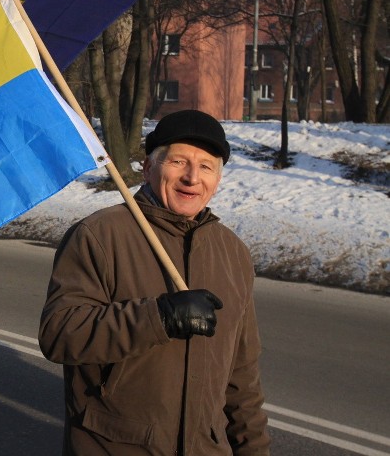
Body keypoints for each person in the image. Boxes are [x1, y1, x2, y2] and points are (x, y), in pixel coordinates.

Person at [39, 110, 269, 455]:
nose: (192, 178)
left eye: (206, 166)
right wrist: (158, 317)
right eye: (178, 162)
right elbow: (60, 335)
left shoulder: (233, 252)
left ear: (218, 179)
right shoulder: (99, 235)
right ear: (148, 168)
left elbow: (242, 376)